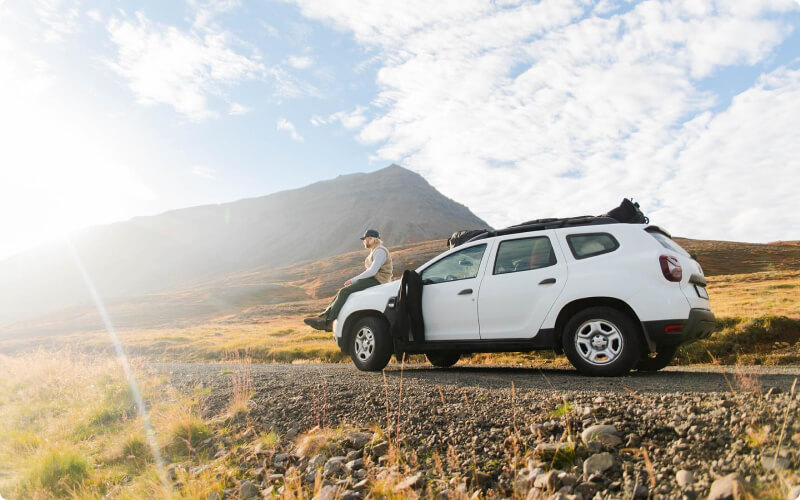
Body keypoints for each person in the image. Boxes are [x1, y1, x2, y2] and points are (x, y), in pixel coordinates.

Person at [303, 229, 393, 331]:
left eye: (365, 239)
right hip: (373, 279)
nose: (364, 242)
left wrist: (353, 280)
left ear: (370, 239)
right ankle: (324, 316)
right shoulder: (375, 250)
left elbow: (372, 271)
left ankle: (329, 321)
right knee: (342, 292)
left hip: (378, 280)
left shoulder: (380, 251)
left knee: (344, 291)